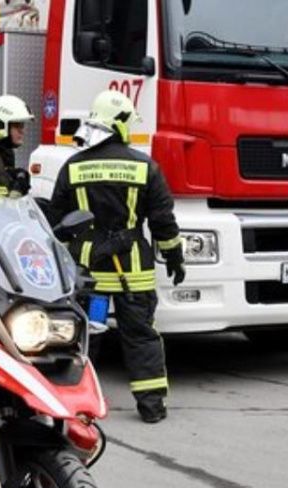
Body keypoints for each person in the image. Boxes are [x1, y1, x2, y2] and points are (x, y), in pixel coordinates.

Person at [46, 90, 184, 424]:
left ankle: (78, 408)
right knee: (140, 335)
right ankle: (151, 406)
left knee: (86, 336)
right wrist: (174, 256)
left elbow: (57, 220)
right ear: (120, 123)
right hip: (132, 271)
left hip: (90, 272)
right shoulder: (145, 166)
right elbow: (162, 221)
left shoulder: (73, 166)